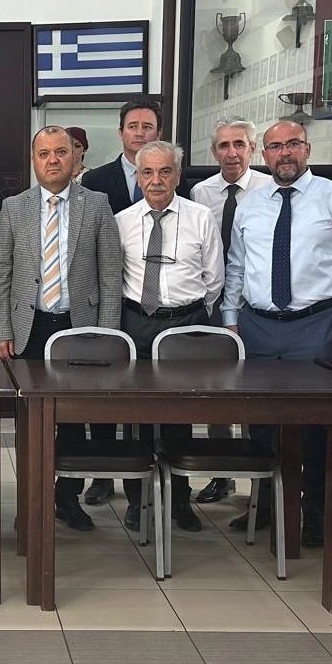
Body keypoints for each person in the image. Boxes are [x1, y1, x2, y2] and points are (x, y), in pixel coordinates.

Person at [220, 119, 332, 547]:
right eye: (275, 147)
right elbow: (237, 265)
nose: (284, 153)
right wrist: (230, 319)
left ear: (307, 149)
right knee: (261, 423)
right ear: (264, 154)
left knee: (318, 427)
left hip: (318, 325)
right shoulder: (250, 204)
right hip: (257, 326)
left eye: (292, 144)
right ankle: (267, 505)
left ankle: (317, 514)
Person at [0, 126, 122, 532]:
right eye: (44, 153)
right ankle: (31, 502)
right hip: (29, 328)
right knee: (30, 422)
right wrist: (1, 329)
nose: (53, 160)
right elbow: (1, 271)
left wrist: (107, 334)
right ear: (34, 160)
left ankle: (67, 499)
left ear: (75, 156)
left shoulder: (96, 204)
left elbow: (110, 274)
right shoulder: (14, 207)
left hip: (79, 328)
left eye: (61, 152)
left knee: (75, 420)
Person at [79, 99, 186, 503]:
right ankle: (105, 475)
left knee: (169, 406)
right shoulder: (95, 180)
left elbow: (211, 276)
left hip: (171, 311)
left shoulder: (177, 179)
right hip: (119, 306)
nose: (140, 132)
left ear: (159, 132)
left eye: (148, 126)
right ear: (121, 131)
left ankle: (165, 485)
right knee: (110, 398)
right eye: (133, 125)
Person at [117, 141, 223, 532]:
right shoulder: (122, 221)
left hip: (186, 326)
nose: (156, 180)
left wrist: (186, 313)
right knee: (136, 418)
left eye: (165, 172)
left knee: (180, 417)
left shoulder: (201, 217)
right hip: (138, 324)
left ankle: (179, 501)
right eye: (147, 172)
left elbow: (214, 279)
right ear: (138, 177)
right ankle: (137, 500)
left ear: (178, 175)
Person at [187, 116, 271, 505]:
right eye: (224, 145)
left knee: (254, 393)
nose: (232, 152)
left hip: (256, 304)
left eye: (240, 144)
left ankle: (262, 483)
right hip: (212, 302)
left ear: (252, 149)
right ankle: (222, 475)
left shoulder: (270, 188)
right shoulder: (201, 192)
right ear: (214, 151)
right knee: (215, 391)